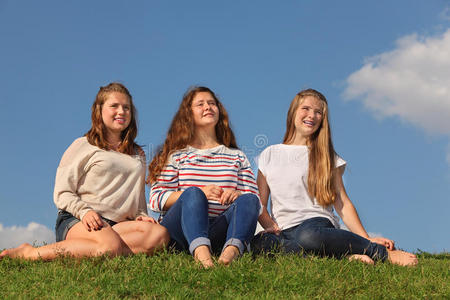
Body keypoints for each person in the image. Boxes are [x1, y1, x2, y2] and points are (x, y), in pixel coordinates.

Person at [0, 82, 169, 260]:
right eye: (114, 106)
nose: (121, 112)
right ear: (100, 110)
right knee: (109, 245)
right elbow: (62, 192)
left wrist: (141, 216)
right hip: (81, 219)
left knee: (159, 235)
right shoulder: (83, 145)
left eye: (126, 107)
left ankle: (104, 250)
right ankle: (31, 253)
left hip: (118, 225)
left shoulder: (138, 153)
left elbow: (138, 197)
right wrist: (85, 212)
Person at [251, 89, 418, 266]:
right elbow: (260, 202)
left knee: (307, 237)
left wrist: (367, 239)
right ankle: (342, 258)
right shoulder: (269, 153)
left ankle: (380, 254)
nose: (312, 115)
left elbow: (342, 202)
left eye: (318, 112)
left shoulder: (326, 156)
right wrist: (270, 226)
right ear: (293, 112)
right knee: (259, 245)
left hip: (315, 226)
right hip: (282, 230)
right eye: (305, 109)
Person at [148, 86, 260, 268]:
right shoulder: (177, 155)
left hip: (219, 230)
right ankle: (203, 257)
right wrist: (199, 193)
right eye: (200, 104)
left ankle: (231, 251)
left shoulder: (237, 156)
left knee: (249, 200)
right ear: (188, 115)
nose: (207, 107)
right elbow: (155, 199)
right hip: (180, 233)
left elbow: (256, 202)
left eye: (211, 103)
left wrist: (237, 195)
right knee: (193, 194)